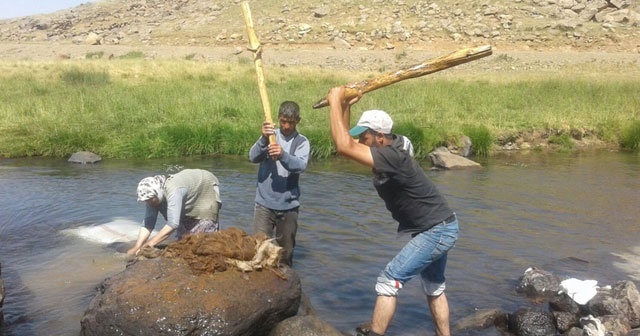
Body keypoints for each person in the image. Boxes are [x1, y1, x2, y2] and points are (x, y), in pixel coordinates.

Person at [326, 86, 459, 336]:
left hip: (436, 231)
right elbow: (347, 141)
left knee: (388, 281)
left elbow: (344, 146)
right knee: (434, 287)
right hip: (440, 225)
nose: (361, 142)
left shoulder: (391, 156)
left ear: (379, 137)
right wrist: (345, 105)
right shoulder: (387, 146)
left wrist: (334, 100)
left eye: (364, 136)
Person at [249, 101, 310, 267]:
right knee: (259, 249)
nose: (287, 126)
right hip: (264, 204)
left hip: (288, 206)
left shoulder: (301, 142)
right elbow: (253, 157)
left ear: (298, 121)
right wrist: (263, 139)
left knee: (285, 255)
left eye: (291, 122)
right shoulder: (269, 135)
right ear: (278, 119)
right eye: (283, 121)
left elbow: (300, 166)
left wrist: (282, 155)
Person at [127, 168, 222, 256]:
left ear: (157, 193)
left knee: (202, 242)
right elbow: (148, 224)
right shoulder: (152, 197)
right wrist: (136, 247)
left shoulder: (173, 190)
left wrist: (150, 244)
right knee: (183, 241)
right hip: (188, 190)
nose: (148, 203)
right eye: (146, 201)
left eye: (150, 200)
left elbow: (173, 224)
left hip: (206, 184)